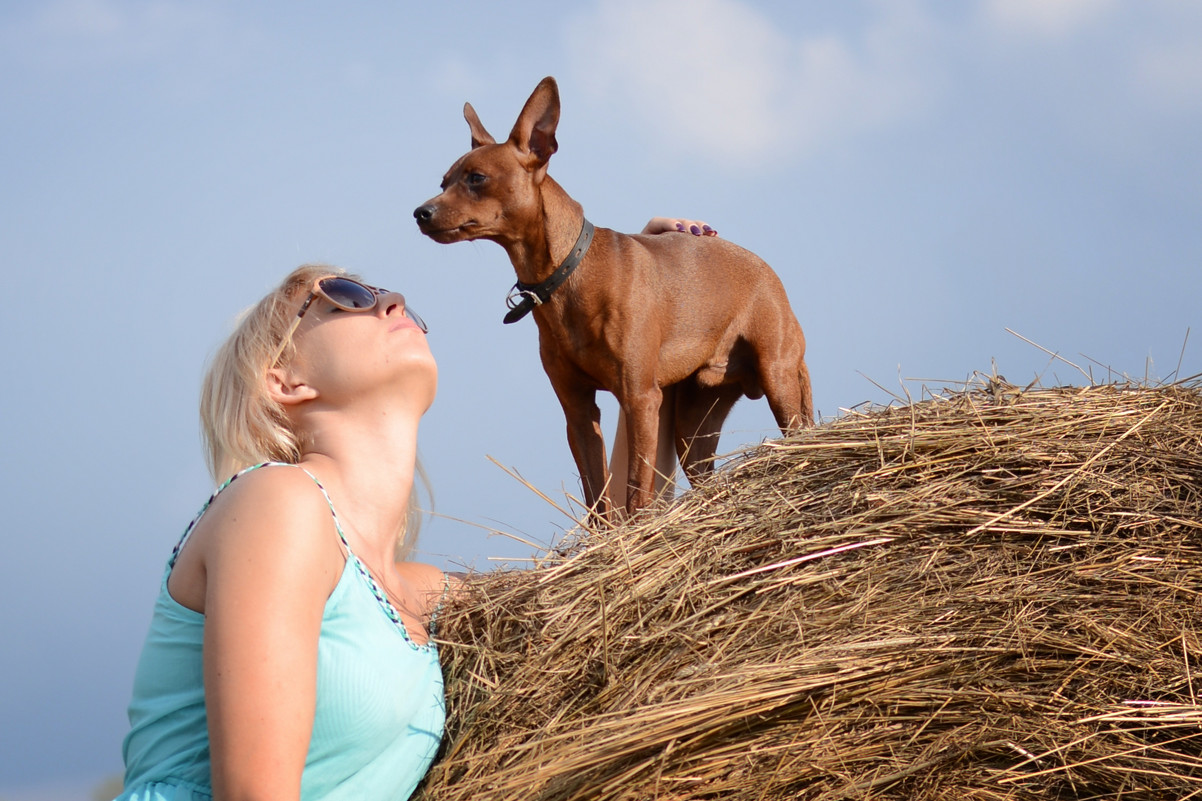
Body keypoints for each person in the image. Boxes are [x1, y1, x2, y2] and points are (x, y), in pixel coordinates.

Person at [114, 218, 713, 801]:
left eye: (393, 297)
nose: (393, 300)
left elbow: (605, 588)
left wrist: (659, 323)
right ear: (285, 382)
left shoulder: (416, 593)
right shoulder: (277, 502)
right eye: (344, 297)